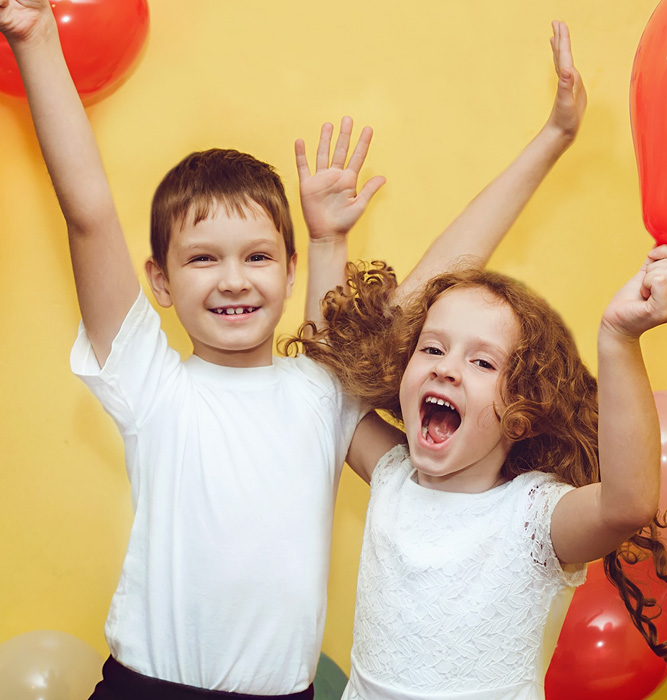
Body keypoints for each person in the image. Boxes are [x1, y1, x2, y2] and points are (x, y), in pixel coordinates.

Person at [0, 1, 585, 697]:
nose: (233, 279)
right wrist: (37, 37)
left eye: (257, 256)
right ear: (158, 281)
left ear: (290, 270)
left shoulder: (320, 393)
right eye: (202, 259)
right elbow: (89, 214)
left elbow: (445, 284)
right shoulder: (149, 383)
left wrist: (553, 136)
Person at [292, 247, 667, 700]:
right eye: (432, 348)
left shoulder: (533, 517)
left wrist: (618, 338)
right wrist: (326, 242)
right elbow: (325, 391)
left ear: (522, 414)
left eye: (482, 362)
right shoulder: (392, 473)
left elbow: (627, 505)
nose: (446, 368)